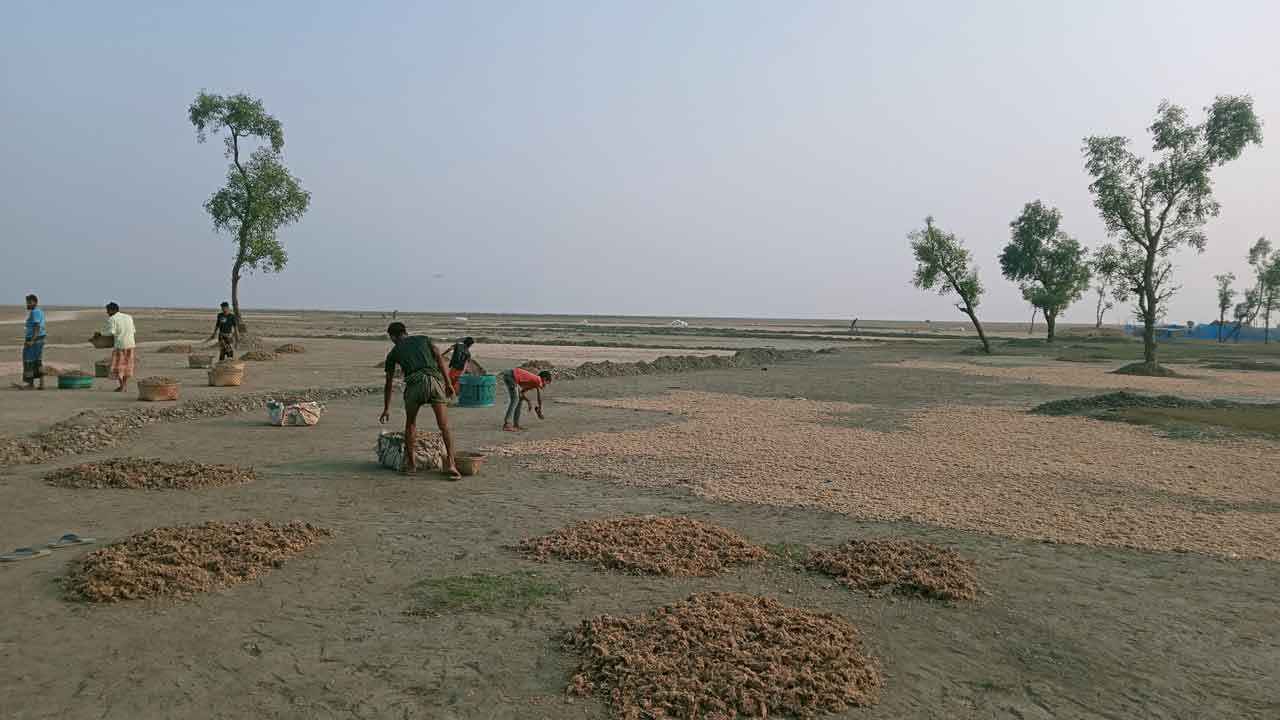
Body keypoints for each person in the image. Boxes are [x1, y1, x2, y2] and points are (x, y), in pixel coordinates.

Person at [378, 322, 460, 479]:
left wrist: (386, 408)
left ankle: (411, 465)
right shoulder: (423, 339)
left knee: (411, 424)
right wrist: (448, 384)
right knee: (444, 426)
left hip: (416, 384)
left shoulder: (394, 352)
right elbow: (439, 358)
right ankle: (451, 464)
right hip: (435, 382)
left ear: (393, 336)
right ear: (405, 332)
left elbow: (388, 383)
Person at [96, 302, 136, 392]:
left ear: (112, 310)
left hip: (120, 345)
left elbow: (111, 332)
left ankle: (122, 386)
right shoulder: (129, 317)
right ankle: (124, 385)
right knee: (127, 366)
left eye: (108, 311)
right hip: (131, 344)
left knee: (119, 366)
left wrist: (100, 333)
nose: (107, 313)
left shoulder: (112, 319)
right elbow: (133, 330)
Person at [500, 367, 551, 431]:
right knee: (515, 399)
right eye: (546, 383)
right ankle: (507, 424)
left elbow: (521, 393)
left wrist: (528, 401)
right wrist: (539, 410)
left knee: (519, 400)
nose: (545, 386)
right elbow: (539, 397)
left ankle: (516, 424)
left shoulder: (532, 383)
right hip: (511, 376)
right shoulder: (538, 380)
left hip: (511, 376)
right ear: (544, 379)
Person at [18, 294, 46, 390]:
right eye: (27, 302)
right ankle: (41, 384)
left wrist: (32, 341)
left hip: (34, 340)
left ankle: (30, 384)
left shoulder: (35, 312)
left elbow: (37, 327)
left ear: (34, 302)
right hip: (38, 339)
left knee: (29, 361)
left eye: (29, 302)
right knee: (37, 361)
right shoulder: (38, 311)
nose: (27, 304)